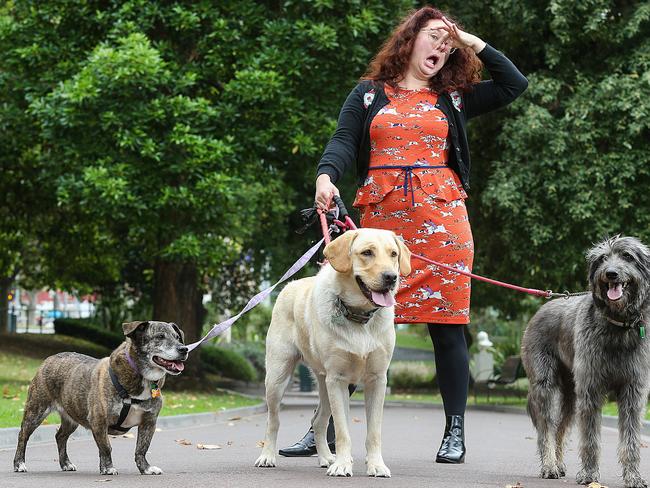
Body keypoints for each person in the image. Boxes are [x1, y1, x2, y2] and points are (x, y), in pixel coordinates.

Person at [279, 5, 527, 464]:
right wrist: (325, 176)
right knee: (353, 330)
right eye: (434, 36)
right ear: (409, 39)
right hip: (381, 229)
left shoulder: (454, 96)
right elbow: (343, 140)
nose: (441, 46)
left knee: (448, 327)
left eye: (448, 43)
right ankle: (323, 432)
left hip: (443, 223)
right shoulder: (369, 93)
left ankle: (454, 432)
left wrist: (471, 41)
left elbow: (515, 84)